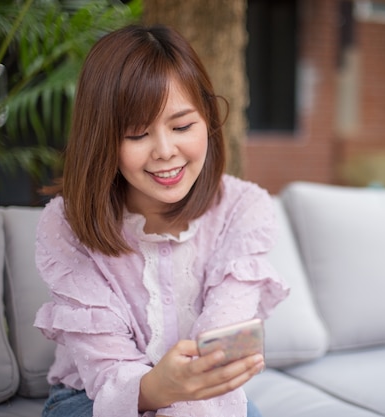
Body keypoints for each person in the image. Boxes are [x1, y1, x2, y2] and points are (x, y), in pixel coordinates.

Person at [34, 24, 289, 417]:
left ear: (207, 119)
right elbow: (107, 372)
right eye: (138, 134)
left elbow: (224, 340)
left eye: (182, 126)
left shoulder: (243, 207)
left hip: (203, 395)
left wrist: (199, 384)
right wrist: (161, 389)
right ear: (102, 139)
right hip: (93, 399)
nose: (166, 151)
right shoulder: (66, 225)